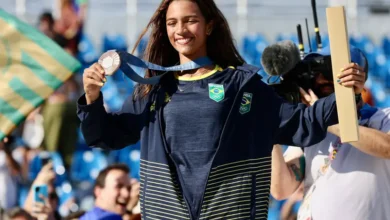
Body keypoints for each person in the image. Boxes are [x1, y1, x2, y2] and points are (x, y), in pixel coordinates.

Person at [77, 0, 364, 219]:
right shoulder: (153, 89)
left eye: (190, 21)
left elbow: (302, 123)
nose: (180, 30)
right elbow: (107, 136)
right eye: (172, 23)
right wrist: (92, 97)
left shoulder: (243, 86)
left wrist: (346, 90)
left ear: (209, 25)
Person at [270, 46, 390, 220]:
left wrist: (322, 118)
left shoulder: (382, 118)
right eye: (314, 73)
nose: (319, 79)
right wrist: (271, 129)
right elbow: (281, 189)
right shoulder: (310, 130)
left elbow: (387, 147)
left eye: (327, 72)